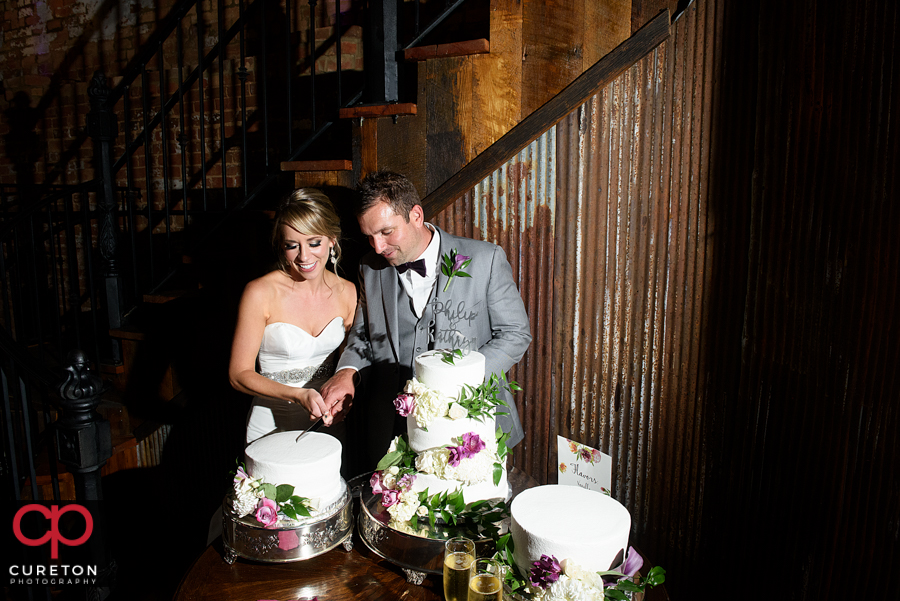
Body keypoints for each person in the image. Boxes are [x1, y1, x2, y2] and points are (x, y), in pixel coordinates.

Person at [321, 171, 532, 470]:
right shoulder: (370, 268)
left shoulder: (485, 259)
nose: (378, 247)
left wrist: (456, 381)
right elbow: (363, 336)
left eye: (386, 232)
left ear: (416, 215)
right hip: (392, 432)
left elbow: (515, 333)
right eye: (369, 236)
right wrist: (347, 371)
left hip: (471, 424)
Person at [229, 188, 357, 445]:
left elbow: (350, 363)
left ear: (332, 240)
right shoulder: (260, 293)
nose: (304, 256)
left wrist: (344, 399)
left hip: (326, 424)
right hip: (269, 425)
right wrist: (298, 395)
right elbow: (238, 374)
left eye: (314, 243)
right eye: (292, 246)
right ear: (281, 245)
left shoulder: (348, 292)